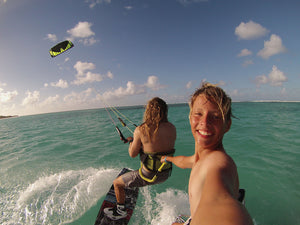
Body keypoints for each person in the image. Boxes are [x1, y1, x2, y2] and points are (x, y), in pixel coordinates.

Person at [161, 83, 253, 225]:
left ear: (227, 125)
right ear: (190, 117)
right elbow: (186, 161)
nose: (204, 122)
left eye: (215, 116)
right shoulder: (200, 158)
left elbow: (221, 204)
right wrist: (168, 159)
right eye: (198, 114)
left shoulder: (217, 162)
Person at [104, 97, 177, 220]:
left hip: (147, 175)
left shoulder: (141, 130)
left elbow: (132, 154)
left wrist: (131, 142)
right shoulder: (172, 128)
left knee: (117, 183)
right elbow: (158, 146)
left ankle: (120, 210)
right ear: (165, 111)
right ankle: (131, 184)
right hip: (164, 174)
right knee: (134, 173)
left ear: (148, 111)